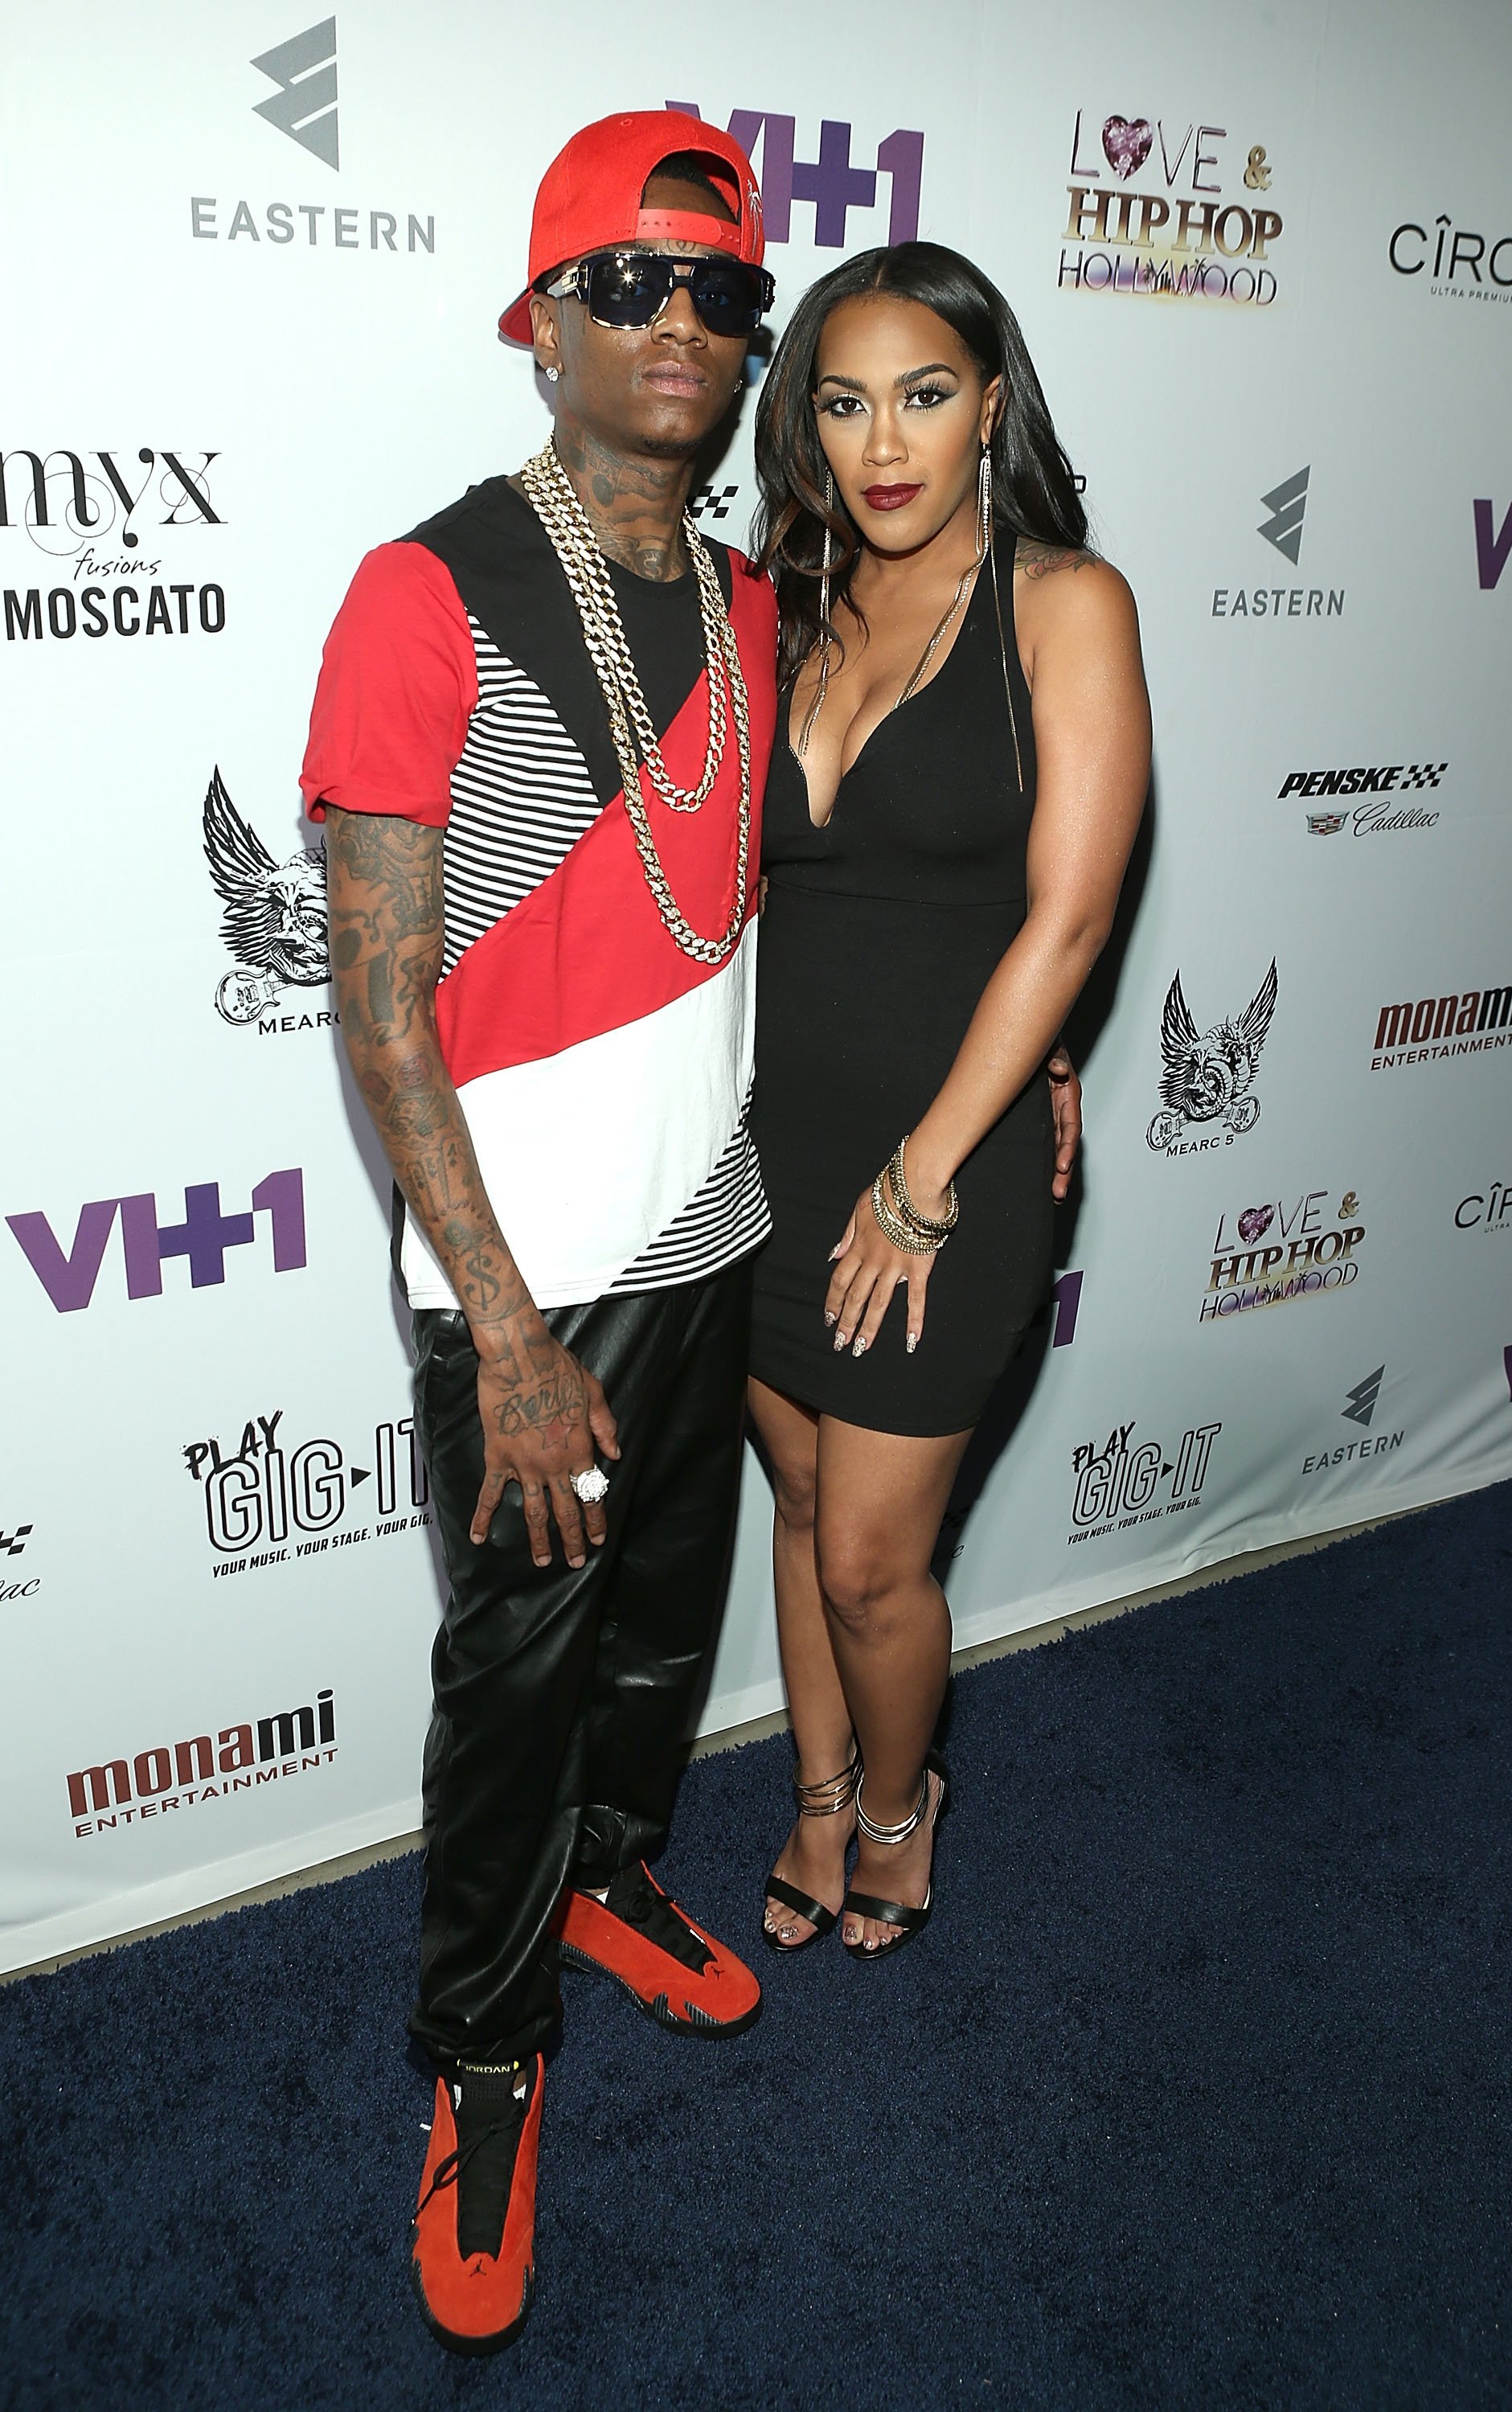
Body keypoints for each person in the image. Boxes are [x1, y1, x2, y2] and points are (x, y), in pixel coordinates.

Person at [300, 113, 781, 2356]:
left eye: (720, 291)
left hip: (708, 1219)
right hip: (529, 1282)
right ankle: (481, 2060)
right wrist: (502, 1329)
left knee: (660, 1630)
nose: (678, 321)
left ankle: (606, 1879)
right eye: (631, 282)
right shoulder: (427, 591)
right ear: (544, 324)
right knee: (518, 1678)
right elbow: (379, 994)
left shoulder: (751, 603)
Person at [747, 243, 1150, 1962]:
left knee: (866, 1558)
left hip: (948, 1164)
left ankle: (903, 1810)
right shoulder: (779, 608)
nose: (884, 443)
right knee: (794, 1500)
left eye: (923, 395)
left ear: (990, 403)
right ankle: (817, 1793)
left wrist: (919, 1179)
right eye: (844, 404)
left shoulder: (1065, 604)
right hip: (767, 1149)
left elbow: (1069, 920)